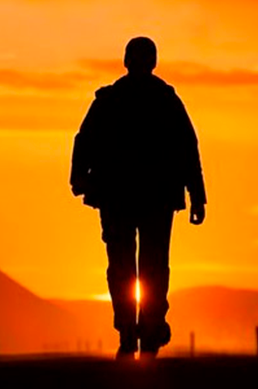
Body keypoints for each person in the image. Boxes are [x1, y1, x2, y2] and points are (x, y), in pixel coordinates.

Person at [70, 37, 206, 359]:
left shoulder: (111, 100)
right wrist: (197, 196)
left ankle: (135, 330)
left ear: (126, 61)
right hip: (152, 197)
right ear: (152, 62)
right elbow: (188, 148)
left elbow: (84, 140)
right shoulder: (164, 101)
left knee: (126, 266)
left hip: (122, 197)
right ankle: (144, 329)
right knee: (151, 266)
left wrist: (78, 179)